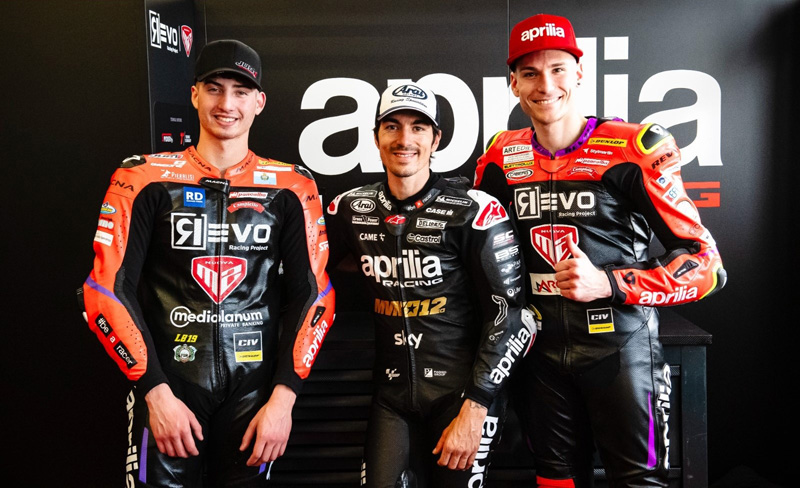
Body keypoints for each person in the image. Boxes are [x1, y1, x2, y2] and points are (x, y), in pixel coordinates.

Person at [473, 14, 727, 488]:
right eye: (530, 73)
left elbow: (707, 266)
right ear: (513, 84)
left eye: (557, 69)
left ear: (580, 73)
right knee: (555, 481)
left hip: (620, 350)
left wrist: (609, 283)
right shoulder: (500, 155)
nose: (545, 85)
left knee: (638, 483)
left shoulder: (634, 146)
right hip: (537, 354)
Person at [77, 39, 335, 487]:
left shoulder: (292, 186)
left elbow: (314, 296)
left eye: (240, 92)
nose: (226, 104)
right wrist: (154, 391)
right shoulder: (142, 178)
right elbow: (103, 291)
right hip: (168, 390)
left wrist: (284, 399)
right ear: (194, 95)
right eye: (214, 89)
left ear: (259, 102)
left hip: (255, 398)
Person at [326, 82, 537, 487]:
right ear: (376, 136)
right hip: (391, 400)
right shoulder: (349, 208)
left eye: (418, 127)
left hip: (463, 398)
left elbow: (512, 318)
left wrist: (477, 405)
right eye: (392, 126)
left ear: (436, 139)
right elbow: (306, 281)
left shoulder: (475, 211)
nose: (404, 139)